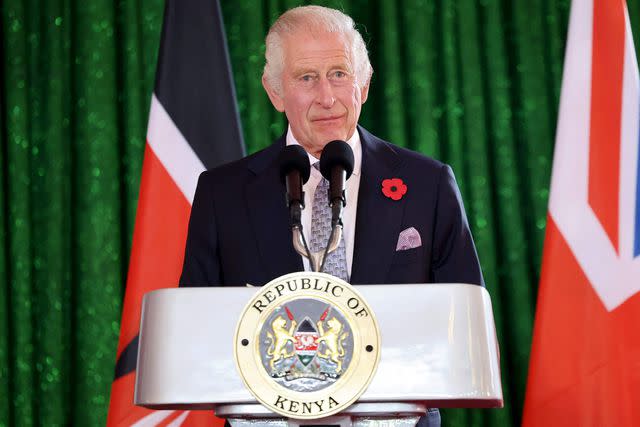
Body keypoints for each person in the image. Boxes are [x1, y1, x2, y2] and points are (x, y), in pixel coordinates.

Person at [180, 6, 484, 427]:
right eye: (307, 78)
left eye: (339, 73)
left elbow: (466, 327)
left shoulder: (428, 184)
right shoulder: (223, 193)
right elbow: (197, 333)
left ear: (364, 83)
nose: (327, 96)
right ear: (274, 91)